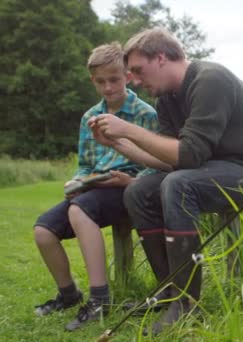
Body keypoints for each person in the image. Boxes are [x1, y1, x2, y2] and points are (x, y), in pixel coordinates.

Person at [88, 27, 243, 334]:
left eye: (137, 70)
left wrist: (129, 129)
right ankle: (171, 289)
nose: (133, 79)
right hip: (208, 170)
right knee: (138, 191)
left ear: (161, 58)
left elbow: (187, 156)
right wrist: (118, 143)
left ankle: (187, 305)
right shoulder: (167, 100)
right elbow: (168, 159)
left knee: (178, 183)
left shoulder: (209, 80)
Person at [32, 42, 158, 331]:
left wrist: (132, 181)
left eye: (114, 79)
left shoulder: (145, 114)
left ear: (127, 76)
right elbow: (87, 164)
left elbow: (154, 162)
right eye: (101, 82)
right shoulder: (90, 117)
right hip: (94, 190)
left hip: (128, 188)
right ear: (93, 81)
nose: (108, 87)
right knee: (43, 230)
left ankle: (101, 299)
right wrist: (78, 180)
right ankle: (68, 294)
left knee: (79, 212)